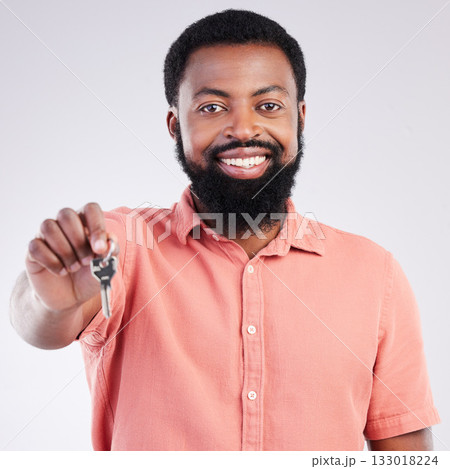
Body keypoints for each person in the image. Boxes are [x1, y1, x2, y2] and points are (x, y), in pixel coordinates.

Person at [10, 9, 440, 451]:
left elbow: (404, 455)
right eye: (212, 107)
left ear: (300, 118)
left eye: (268, 105)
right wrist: (46, 300)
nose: (243, 129)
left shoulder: (375, 274)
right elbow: (38, 322)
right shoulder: (126, 247)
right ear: (176, 126)